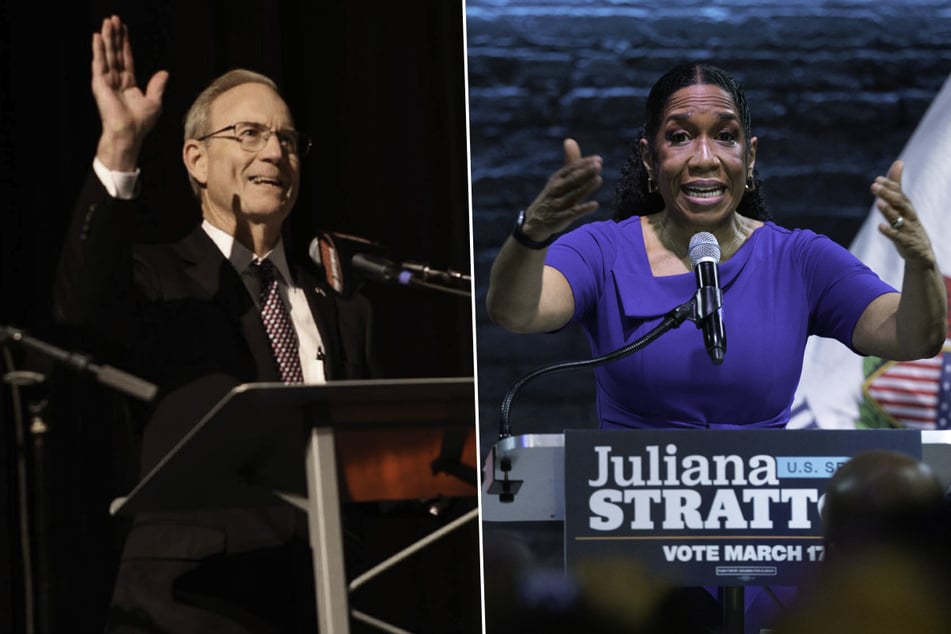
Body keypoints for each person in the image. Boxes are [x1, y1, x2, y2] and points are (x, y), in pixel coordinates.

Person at [53, 15, 375, 632]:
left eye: (286, 139)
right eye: (250, 133)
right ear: (196, 160)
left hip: (325, 600)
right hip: (188, 603)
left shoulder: (343, 304)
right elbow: (79, 304)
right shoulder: (157, 280)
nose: (274, 152)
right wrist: (120, 145)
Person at [486, 61, 947, 431]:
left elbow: (912, 338)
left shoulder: (800, 260)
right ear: (650, 159)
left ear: (749, 158)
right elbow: (518, 312)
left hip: (760, 517)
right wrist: (531, 236)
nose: (704, 158)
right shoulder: (603, 250)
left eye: (725, 137)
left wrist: (922, 266)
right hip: (627, 518)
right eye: (680, 137)